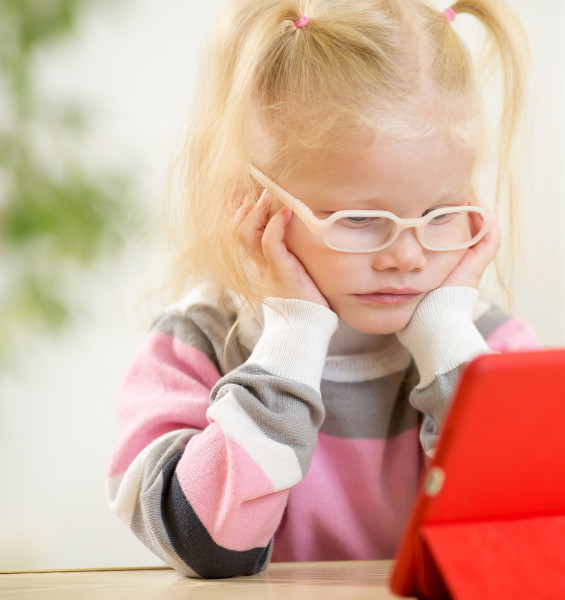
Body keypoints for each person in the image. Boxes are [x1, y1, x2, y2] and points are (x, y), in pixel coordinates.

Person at [106, 0, 539, 579]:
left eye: (440, 214)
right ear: (254, 206)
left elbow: (522, 529)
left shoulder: (485, 348)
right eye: (357, 220)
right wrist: (294, 334)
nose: (406, 257)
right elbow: (201, 546)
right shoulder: (196, 347)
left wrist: (447, 340)